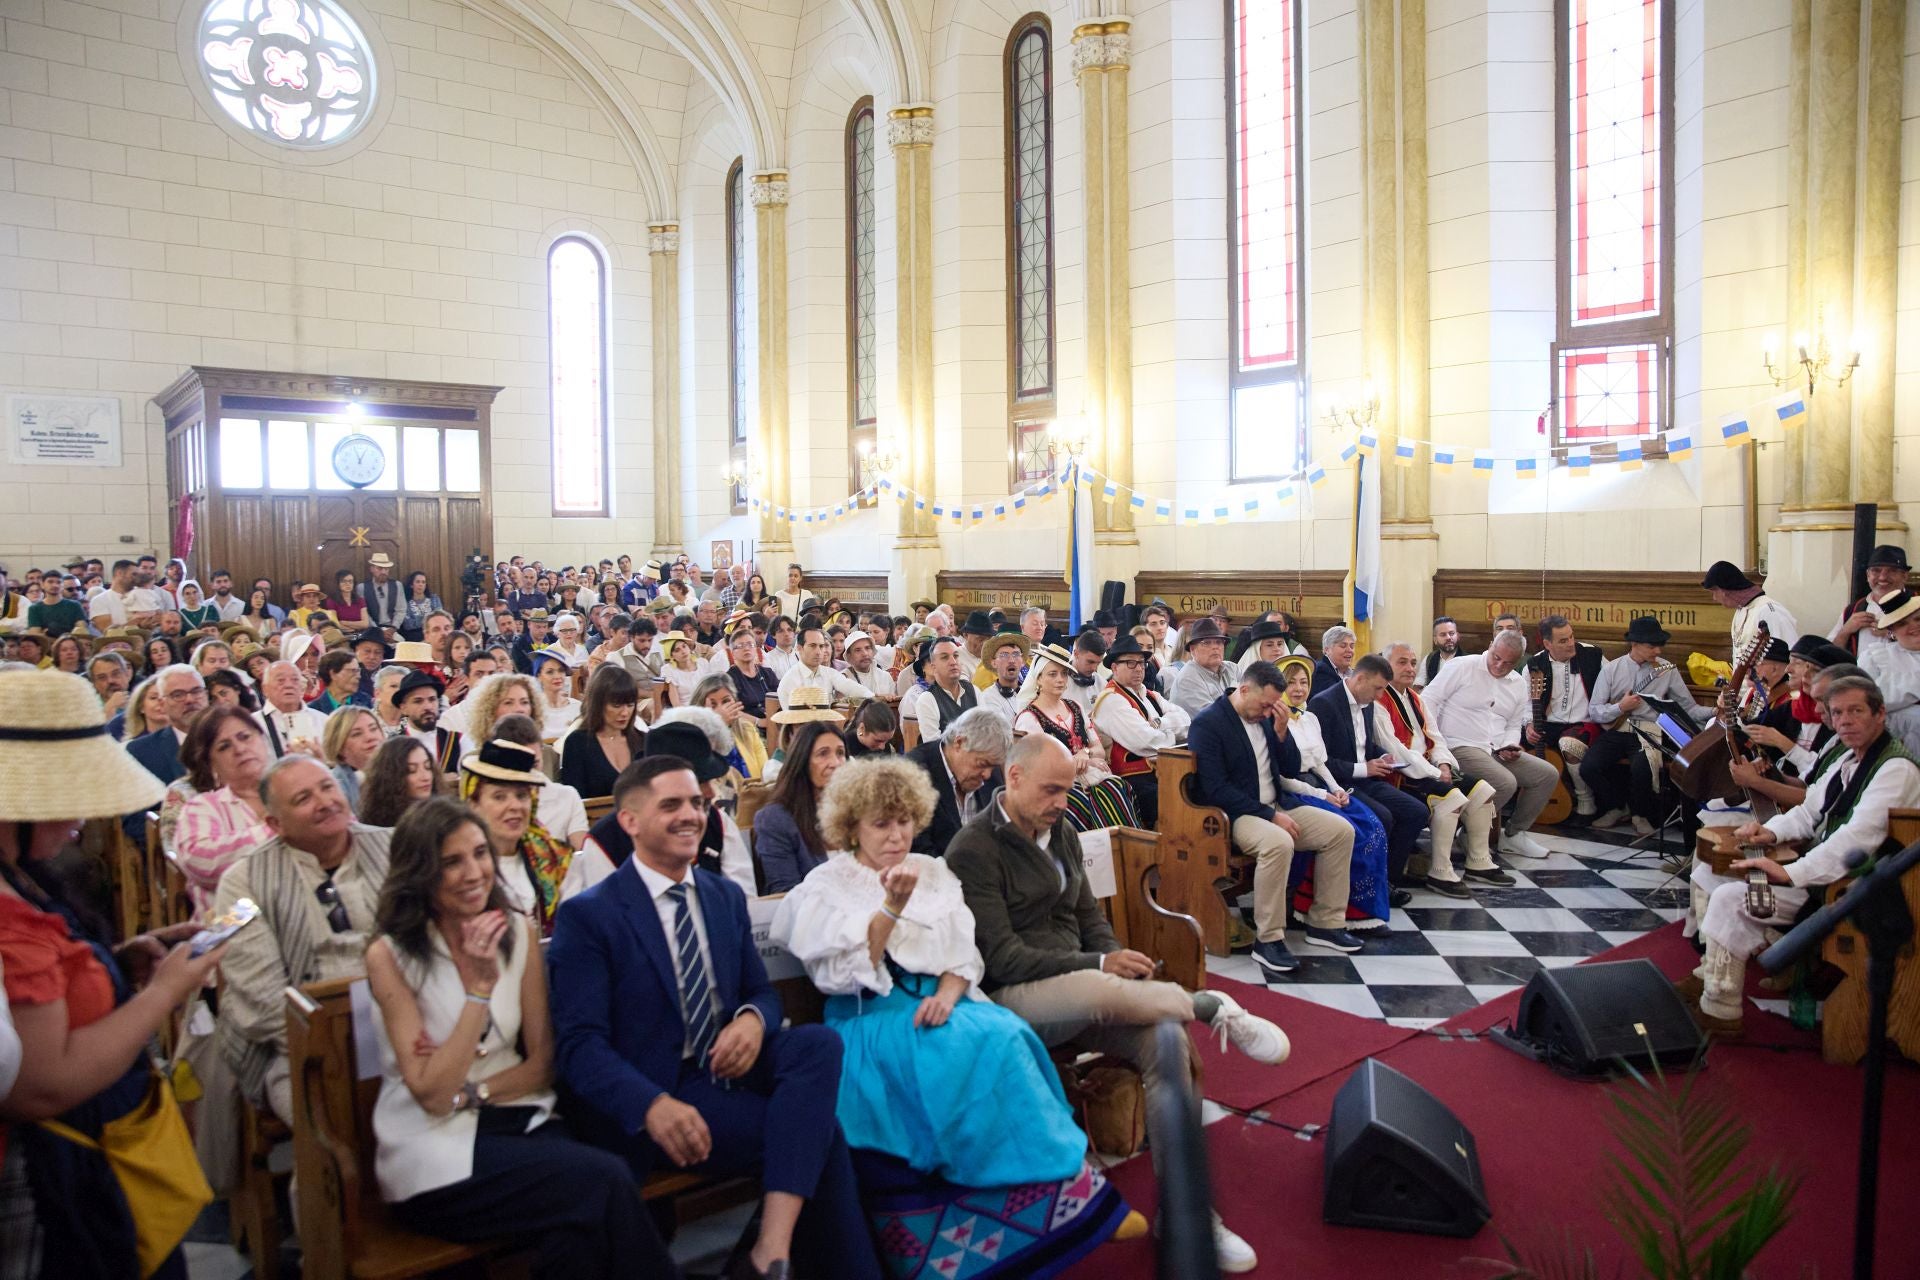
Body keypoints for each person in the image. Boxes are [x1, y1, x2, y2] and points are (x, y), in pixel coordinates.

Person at [771, 757, 1133, 1274]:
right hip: (870, 1016)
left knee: (1005, 1033)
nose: (896, 836)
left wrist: (948, 990)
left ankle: (1071, 1201)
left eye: (903, 822)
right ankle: (955, 1244)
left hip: (940, 1000)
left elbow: (964, 951)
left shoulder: (932, 871)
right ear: (851, 827)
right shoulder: (825, 888)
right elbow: (844, 976)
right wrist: (890, 909)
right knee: (970, 1047)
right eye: (880, 824)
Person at [946, 734, 1285, 1274]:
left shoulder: (1058, 832)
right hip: (1014, 1002)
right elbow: (1005, 958)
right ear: (1012, 778)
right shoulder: (973, 848)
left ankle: (1186, 1216)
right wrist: (1101, 967)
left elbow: (1089, 921)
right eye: (1051, 790)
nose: (1063, 801)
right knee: (1105, 988)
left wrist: (1114, 954)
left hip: (1087, 988)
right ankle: (1207, 1005)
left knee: (1166, 1042)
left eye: (1065, 790)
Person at [548, 755, 883, 1280]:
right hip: (661, 1085)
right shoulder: (591, 916)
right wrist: (651, 1105)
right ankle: (776, 1257)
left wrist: (751, 1019)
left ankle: (767, 1251)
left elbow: (760, 994)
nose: (691, 815)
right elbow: (579, 1046)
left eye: (698, 804)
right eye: (672, 805)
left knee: (818, 1046)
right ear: (630, 821)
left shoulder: (722, 896)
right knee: (821, 1138)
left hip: (727, 1066)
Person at [0, 669, 231, 1280]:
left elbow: (47, 990)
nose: (80, 819)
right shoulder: (9, 920)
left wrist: (121, 960)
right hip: (49, 1178)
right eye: (63, 800)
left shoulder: (24, 876)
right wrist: (166, 993)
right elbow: (42, 1083)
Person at [363, 797, 649, 1276]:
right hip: (431, 1150)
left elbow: (542, 1063)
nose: (474, 872)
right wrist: (478, 991)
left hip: (521, 1118)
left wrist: (471, 1091)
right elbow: (431, 1095)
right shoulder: (391, 956)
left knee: (580, 1232)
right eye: (452, 861)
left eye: (479, 853)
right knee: (607, 1183)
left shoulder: (516, 929)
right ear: (420, 872)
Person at [1686, 676, 1920, 1037]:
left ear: (1880, 714)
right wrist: (1772, 831)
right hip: (1825, 873)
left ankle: (1721, 1010)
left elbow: (1856, 840)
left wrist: (1791, 874)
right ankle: (1708, 975)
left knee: (1731, 897)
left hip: (1853, 890)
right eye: (1838, 712)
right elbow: (1810, 811)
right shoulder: (1848, 756)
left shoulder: (1895, 769)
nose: (1845, 721)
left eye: (1856, 711)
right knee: (1710, 875)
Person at [211, 755, 391, 1124]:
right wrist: (334, 1052)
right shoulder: (241, 883)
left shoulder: (394, 848)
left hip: (402, 1026)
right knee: (340, 1126)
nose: (325, 802)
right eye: (303, 798)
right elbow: (261, 998)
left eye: (328, 787)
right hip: (296, 1048)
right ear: (275, 824)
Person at [1188, 660, 1367, 972]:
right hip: (1235, 814)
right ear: (1244, 690)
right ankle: (1268, 939)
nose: (1267, 711)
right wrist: (1270, 816)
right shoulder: (1209, 723)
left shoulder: (1268, 717)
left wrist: (1282, 733)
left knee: (1341, 831)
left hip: (1276, 804)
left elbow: (1288, 768)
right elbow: (1214, 788)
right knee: (1279, 843)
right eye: (1264, 704)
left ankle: (1325, 922)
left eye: (1273, 705)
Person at [1266, 653, 1397, 925]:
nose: (1299, 688)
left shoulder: (1309, 718)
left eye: (1304, 682)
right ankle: (1316, 906)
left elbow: (1320, 763)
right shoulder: (1273, 722)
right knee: (1350, 831)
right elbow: (1281, 776)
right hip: (1294, 792)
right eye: (1291, 683)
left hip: (1321, 785)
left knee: (1372, 824)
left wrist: (1337, 789)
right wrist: (1321, 795)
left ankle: (1362, 908)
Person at [1377, 645, 1510, 896]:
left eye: (1413, 662)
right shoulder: (1379, 699)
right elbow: (1394, 749)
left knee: (1483, 791)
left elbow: (1435, 737)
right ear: (1385, 666)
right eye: (1402, 662)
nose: (1410, 668)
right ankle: (1440, 870)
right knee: (1451, 799)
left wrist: (1444, 763)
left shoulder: (1415, 697)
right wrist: (1435, 772)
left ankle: (1478, 861)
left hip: (1432, 766)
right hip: (1405, 774)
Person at [1423, 630, 1562, 857]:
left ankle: (1514, 835)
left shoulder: (1517, 683)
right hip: (1460, 745)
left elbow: (1513, 724)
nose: (1499, 666)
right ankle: (1469, 833)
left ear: (1518, 661)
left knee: (1546, 774)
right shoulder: (1461, 666)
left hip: (1497, 749)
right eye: (1496, 658)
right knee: (1505, 782)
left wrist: (1510, 745)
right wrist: (1435, 744)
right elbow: (1428, 701)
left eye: (1508, 663)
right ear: (1490, 646)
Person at [1305, 654, 1432, 890]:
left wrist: (1383, 755)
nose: (1380, 696)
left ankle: (1388, 879)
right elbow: (1321, 761)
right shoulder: (1324, 704)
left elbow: (1364, 744)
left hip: (1366, 779)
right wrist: (1365, 768)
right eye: (1377, 689)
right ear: (1360, 679)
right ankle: (1368, 882)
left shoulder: (1368, 702)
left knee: (1417, 811)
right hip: (1339, 784)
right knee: (1383, 816)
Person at [1580, 617, 1707, 835]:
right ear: (1635, 644)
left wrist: (1715, 712)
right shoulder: (1612, 669)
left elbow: (1689, 709)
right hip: (1617, 730)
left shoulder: (1667, 669)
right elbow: (1595, 711)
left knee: (1643, 768)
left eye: (1660, 645)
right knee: (1589, 767)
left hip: (1649, 730)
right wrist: (1620, 707)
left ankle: (1640, 815)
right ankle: (1616, 807)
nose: (1657, 650)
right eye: (1651, 646)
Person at [459, 738, 587, 937]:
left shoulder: (556, 862)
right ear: (473, 804)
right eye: (499, 796)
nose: (515, 806)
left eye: (521, 796)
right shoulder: (455, 867)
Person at [1010, 642, 1140, 831]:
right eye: (1052, 674)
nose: (1060, 680)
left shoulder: (1075, 707)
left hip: (1089, 776)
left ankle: (1128, 849)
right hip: (1053, 786)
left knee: (1115, 786)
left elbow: (1099, 751)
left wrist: (1085, 754)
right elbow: (1040, 767)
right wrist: (1079, 761)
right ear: (1038, 679)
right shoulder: (1030, 717)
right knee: (1084, 799)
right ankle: (1099, 853)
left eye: (1064, 674)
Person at [173, 705, 275, 914]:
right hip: (232, 929)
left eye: (245, 737)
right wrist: (279, 830)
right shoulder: (202, 808)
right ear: (212, 764)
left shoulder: (295, 793)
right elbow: (201, 862)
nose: (239, 749)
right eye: (224, 746)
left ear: (263, 741)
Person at [1089, 634, 1189, 827]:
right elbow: (1146, 743)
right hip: (1133, 781)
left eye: (1142, 663)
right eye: (1130, 663)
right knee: (1182, 799)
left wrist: (1159, 723)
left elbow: (1186, 722)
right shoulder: (1111, 700)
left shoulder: (1150, 695)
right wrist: (1172, 735)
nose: (1139, 668)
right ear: (1115, 667)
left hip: (1164, 772)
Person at [1525, 614, 1605, 820]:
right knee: (1511, 746)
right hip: (1547, 723)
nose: (1571, 644)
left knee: (1569, 744)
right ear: (1547, 643)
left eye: (1571, 637)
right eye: (1563, 640)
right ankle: (1527, 802)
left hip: (1584, 723)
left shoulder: (1593, 655)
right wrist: (1529, 724)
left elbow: (1615, 682)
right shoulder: (1535, 664)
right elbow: (1523, 701)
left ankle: (1585, 799)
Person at [754, 721, 848, 893]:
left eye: (840, 753)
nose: (835, 762)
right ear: (802, 761)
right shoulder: (775, 819)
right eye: (823, 754)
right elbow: (785, 893)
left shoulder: (857, 810)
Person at [906, 707, 1009, 856]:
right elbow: (919, 852)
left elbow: (1001, 834)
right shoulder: (914, 775)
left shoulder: (990, 772)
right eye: (981, 764)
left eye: (993, 766)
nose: (987, 775)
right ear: (959, 743)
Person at [561, 664, 647, 798]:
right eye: (616, 705)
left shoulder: (643, 741)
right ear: (599, 703)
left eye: (630, 705)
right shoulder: (577, 743)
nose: (625, 712)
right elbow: (574, 800)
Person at [1859, 590, 1920, 754]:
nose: (1914, 626)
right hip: (1892, 746)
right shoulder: (1875, 657)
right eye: (1902, 623)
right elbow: (1867, 704)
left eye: (1918, 619)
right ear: (1891, 630)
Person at [1701, 560, 1799, 651]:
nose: (1714, 598)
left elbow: (1789, 653)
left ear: (1725, 590)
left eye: (1714, 591)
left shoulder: (1769, 612)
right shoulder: (1741, 610)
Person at [1831, 544, 1908, 659]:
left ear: (1905, 576)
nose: (1882, 577)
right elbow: (1828, 656)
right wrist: (1845, 631)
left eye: (1892, 571)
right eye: (1876, 571)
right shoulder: (1852, 610)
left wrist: (1891, 635)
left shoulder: (1916, 608)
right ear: (1868, 575)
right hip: (1859, 676)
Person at [775, 625, 874, 711]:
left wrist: (873, 697)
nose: (818, 652)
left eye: (821, 646)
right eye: (813, 646)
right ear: (800, 648)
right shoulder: (789, 681)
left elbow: (850, 687)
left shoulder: (829, 673)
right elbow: (793, 722)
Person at [695, 675, 768, 787]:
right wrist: (719, 724)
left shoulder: (747, 729)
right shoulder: (694, 735)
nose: (722, 710)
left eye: (726, 702)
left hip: (752, 796)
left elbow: (764, 771)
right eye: (713, 705)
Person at [357, 734, 446, 827]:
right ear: (391, 777)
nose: (425, 777)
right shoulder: (377, 826)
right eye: (411, 770)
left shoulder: (443, 815)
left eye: (427, 767)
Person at [458, 671, 544, 759]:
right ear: (490, 709)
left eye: (524, 702)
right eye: (508, 703)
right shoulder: (474, 757)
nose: (519, 709)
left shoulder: (548, 755)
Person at [393, 668, 461, 775]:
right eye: (418, 701)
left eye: (432, 699)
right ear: (403, 708)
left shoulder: (455, 740)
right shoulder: (393, 747)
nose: (428, 707)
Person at [909, 636, 978, 743]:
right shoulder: (927, 699)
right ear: (933, 667)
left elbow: (986, 733)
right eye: (945, 657)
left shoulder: (974, 690)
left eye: (956, 655)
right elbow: (935, 747)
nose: (953, 661)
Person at [322, 704, 385, 811]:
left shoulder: (401, 770)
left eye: (373, 729)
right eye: (357, 734)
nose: (370, 737)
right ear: (339, 746)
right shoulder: (335, 786)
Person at [1169, 617, 1237, 714]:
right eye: (1206, 643)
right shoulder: (1187, 679)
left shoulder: (1233, 668)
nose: (1215, 647)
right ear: (1192, 649)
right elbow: (1215, 718)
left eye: (1219, 642)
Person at [976, 631, 1029, 722]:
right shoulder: (987, 698)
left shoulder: (1032, 693)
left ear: (1023, 661)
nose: (1011, 660)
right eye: (1004, 655)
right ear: (994, 663)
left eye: (1016, 654)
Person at [359, 552, 406, 635]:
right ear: (372, 569)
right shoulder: (362, 588)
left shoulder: (397, 585)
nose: (384, 572)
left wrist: (393, 628)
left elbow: (401, 610)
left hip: (392, 630)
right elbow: (364, 613)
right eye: (380, 568)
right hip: (371, 630)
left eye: (386, 569)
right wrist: (378, 631)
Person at [1310, 624, 1358, 697]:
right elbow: (1340, 699)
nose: (1349, 650)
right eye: (1343, 646)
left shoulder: (1354, 673)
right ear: (1327, 649)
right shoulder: (1320, 671)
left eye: (1352, 646)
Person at [1417, 615, 1463, 687]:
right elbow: (1418, 684)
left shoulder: (1468, 660)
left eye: (1451, 633)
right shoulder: (1429, 659)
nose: (1448, 637)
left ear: (1458, 636)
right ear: (1435, 640)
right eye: (1443, 635)